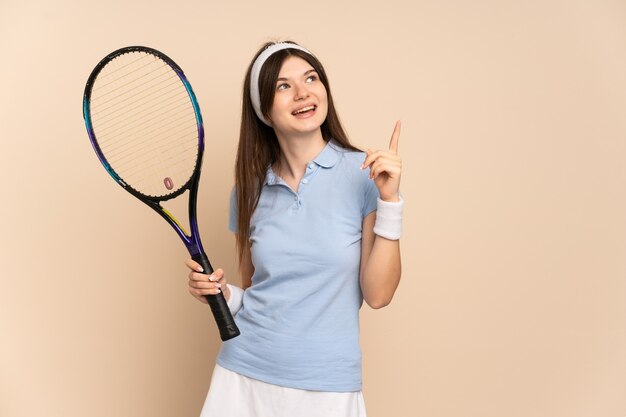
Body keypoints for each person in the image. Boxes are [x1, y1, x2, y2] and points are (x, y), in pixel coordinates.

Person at [185, 41, 403, 417]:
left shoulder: (365, 175)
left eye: (311, 78)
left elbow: (379, 294)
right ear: (263, 110)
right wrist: (222, 293)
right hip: (243, 376)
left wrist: (390, 200)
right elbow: (258, 290)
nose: (303, 93)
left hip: (327, 384)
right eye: (283, 86)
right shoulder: (248, 190)